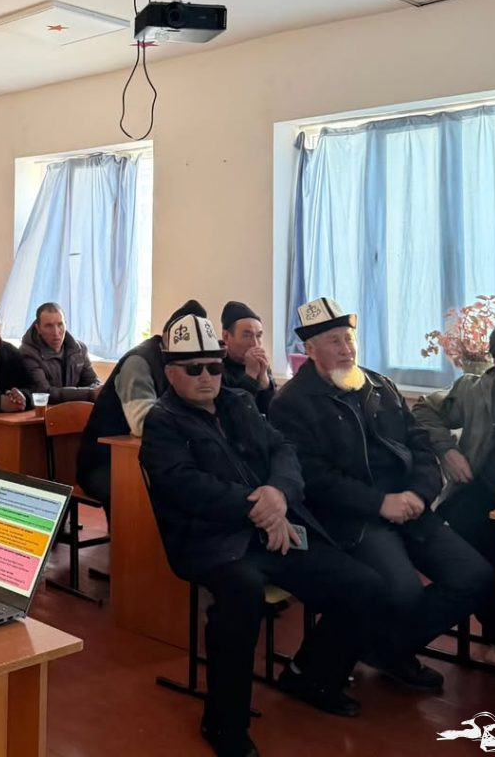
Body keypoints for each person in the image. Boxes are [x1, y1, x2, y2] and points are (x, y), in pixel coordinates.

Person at [141, 309, 385, 757]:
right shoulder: (162, 421)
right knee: (242, 598)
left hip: (273, 528)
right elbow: (186, 488)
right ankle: (224, 723)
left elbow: (283, 450)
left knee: (364, 585)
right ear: (171, 373)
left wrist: (279, 494)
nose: (206, 377)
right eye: (193, 369)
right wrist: (263, 508)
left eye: (213, 367)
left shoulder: (238, 402)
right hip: (211, 541)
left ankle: (311, 676)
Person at [269, 298, 492, 692]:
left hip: (410, 506)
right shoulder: (291, 403)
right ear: (310, 349)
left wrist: (420, 493)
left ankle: (388, 649)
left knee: (474, 577)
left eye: (349, 339)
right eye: (334, 341)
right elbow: (314, 478)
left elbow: (420, 443)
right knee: (402, 591)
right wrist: (380, 504)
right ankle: (378, 653)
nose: (346, 349)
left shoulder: (379, 386)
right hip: (353, 518)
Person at [413, 319, 495, 661]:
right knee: (475, 563)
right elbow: (423, 410)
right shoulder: (475, 389)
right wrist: (447, 451)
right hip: (480, 492)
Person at [77, 299, 205, 511]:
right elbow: (142, 424)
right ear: (168, 336)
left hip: (151, 458)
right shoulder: (139, 362)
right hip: (107, 463)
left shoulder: (185, 363)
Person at [19, 302, 101, 403]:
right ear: (38, 328)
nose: (56, 332)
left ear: (65, 324)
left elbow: (93, 382)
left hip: (76, 409)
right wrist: (90, 394)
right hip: (45, 411)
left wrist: (100, 390)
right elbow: (44, 393)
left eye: (60, 324)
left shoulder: (79, 349)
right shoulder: (28, 353)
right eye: (49, 326)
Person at [220, 301, 276, 414]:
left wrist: (264, 378)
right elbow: (235, 413)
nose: (255, 344)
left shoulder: (260, 363)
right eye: (246, 336)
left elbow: (273, 412)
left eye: (258, 336)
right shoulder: (216, 367)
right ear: (226, 337)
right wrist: (250, 376)